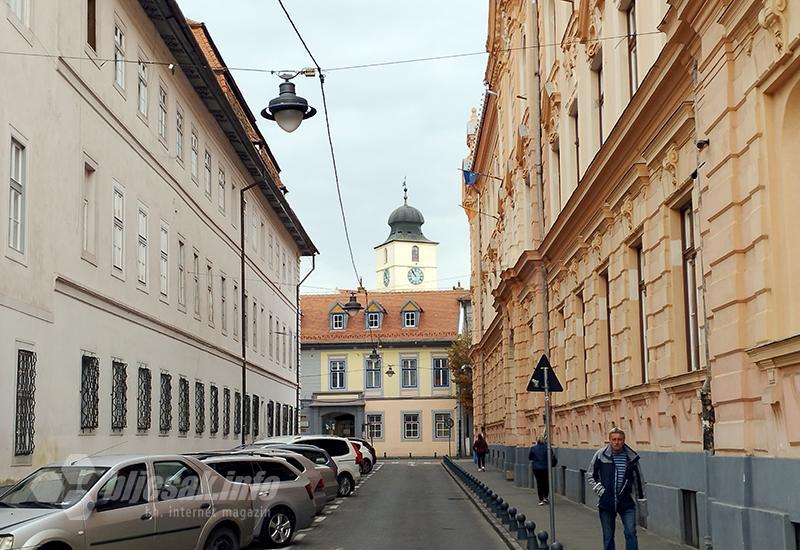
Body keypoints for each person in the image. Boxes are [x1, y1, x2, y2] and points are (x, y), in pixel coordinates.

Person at [588, 427, 646, 550]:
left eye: (619, 439)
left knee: (631, 532)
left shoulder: (631, 457)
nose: (616, 442)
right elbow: (590, 475)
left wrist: (641, 502)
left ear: (624, 440)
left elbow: (639, 481)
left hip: (626, 502)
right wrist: (601, 491)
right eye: (613, 439)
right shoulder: (600, 455)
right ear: (609, 440)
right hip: (606, 503)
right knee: (608, 536)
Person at [528, 435, 557, 505]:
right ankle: (546, 497)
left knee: (539, 483)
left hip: (537, 468)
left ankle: (540, 500)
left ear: (537, 441)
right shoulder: (547, 448)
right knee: (546, 482)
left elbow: (530, 457)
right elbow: (552, 456)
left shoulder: (533, 448)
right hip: (546, 468)